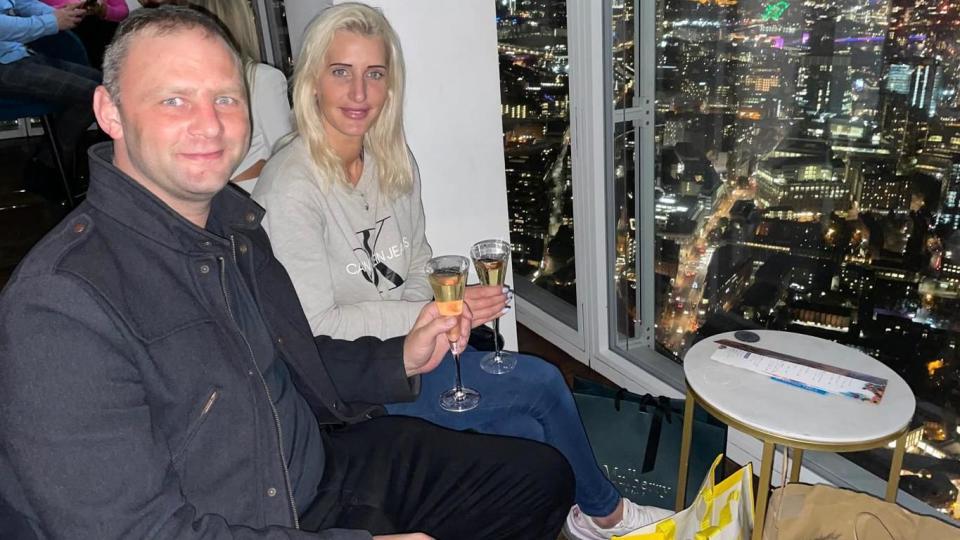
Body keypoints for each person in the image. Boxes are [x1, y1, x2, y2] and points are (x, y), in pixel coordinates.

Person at [0, 7, 574, 539]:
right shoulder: (59, 306)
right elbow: (132, 532)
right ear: (110, 112)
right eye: (174, 100)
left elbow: (292, 357)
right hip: (250, 518)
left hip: (318, 469)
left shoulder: (235, 230)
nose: (210, 124)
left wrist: (399, 356)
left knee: (539, 478)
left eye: (226, 99)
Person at [252, 4, 674, 539]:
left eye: (374, 74)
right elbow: (315, 325)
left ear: (390, 86)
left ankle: (572, 519)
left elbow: (416, 262)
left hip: (416, 346)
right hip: (359, 380)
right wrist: (430, 315)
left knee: (526, 432)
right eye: (341, 72)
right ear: (312, 80)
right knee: (543, 381)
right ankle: (607, 514)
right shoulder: (291, 188)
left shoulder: (390, 159)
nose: (359, 92)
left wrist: (437, 317)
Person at [187, 0, 292, 193]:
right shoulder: (262, 79)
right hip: (255, 201)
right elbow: (288, 156)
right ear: (244, 21)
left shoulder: (188, 85)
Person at [0, 0, 101, 182]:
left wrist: (63, 13)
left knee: (102, 86)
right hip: (4, 66)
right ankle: (48, 167)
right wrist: (52, 21)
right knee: (93, 95)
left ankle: (53, 162)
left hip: (18, 55)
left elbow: (24, 3)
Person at [41, 0, 129, 69]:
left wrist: (105, 10)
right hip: (71, 34)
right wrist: (69, 8)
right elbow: (35, 11)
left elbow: (123, 11)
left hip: (107, 32)